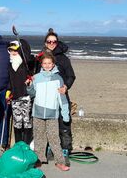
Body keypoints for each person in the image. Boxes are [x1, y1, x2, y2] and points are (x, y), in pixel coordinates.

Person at [37, 28, 76, 165]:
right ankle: (48, 149)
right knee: (47, 124)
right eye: (49, 41)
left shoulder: (63, 59)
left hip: (60, 95)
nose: (52, 43)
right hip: (45, 98)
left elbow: (71, 76)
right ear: (45, 42)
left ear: (57, 42)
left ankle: (65, 150)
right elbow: (36, 74)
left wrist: (65, 86)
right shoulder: (40, 57)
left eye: (54, 41)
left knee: (64, 123)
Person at [27, 52, 70, 171]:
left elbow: (62, 98)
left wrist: (65, 114)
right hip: (38, 113)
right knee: (38, 137)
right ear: (41, 64)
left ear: (53, 64)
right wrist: (30, 86)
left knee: (54, 138)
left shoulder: (58, 78)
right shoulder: (36, 77)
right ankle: (39, 159)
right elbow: (32, 94)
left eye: (49, 63)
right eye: (45, 63)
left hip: (52, 114)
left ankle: (60, 161)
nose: (47, 65)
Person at [7, 40, 33, 145]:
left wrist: (21, 44)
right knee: (17, 122)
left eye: (15, 50)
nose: (13, 52)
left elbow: (29, 57)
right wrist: (8, 92)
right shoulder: (10, 64)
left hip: (26, 96)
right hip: (15, 97)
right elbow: (9, 80)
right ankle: (18, 145)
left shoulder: (26, 62)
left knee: (27, 122)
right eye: (10, 50)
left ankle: (26, 144)